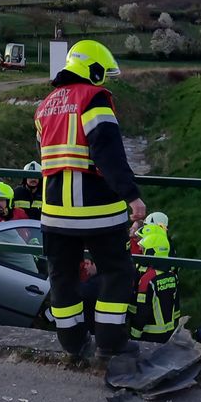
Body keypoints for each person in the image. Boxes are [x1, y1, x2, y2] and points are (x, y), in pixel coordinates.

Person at [34, 39, 146, 358]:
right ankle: (110, 343)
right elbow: (107, 152)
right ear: (92, 70)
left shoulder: (46, 105)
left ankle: (73, 344)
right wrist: (132, 196)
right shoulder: (94, 98)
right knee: (116, 272)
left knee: (62, 276)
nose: (104, 79)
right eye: (102, 73)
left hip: (54, 213)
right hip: (98, 210)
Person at [128, 228, 180, 343]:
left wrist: (134, 335)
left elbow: (142, 312)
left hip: (149, 335)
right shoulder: (172, 276)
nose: (141, 251)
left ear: (152, 252)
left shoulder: (147, 280)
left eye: (144, 249)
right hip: (169, 333)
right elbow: (176, 306)